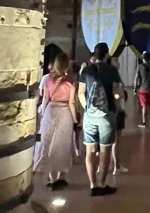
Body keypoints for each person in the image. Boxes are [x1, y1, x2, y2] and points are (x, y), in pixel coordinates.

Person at [77, 43, 122, 196]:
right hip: (106, 115)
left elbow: (80, 93)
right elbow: (117, 93)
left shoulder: (86, 70)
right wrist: (117, 106)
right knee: (105, 151)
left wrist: (87, 108)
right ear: (106, 54)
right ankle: (102, 184)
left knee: (90, 151)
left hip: (89, 115)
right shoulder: (112, 70)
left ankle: (92, 184)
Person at [34, 51, 77, 190]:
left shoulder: (47, 78)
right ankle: (60, 175)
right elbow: (72, 102)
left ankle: (50, 176)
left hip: (50, 110)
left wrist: (43, 114)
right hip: (64, 112)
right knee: (62, 144)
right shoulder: (71, 80)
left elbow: (45, 98)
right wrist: (75, 119)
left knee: (48, 142)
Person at [107, 56, 129, 175]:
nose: (118, 63)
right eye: (116, 61)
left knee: (111, 139)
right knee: (116, 140)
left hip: (111, 110)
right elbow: (120, 95)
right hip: (116, 111)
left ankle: (111, 163)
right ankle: (117, 165)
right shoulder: (115, 78)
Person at [135, 51, 150, 128]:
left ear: (143, 58)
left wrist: (135, 88)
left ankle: (144, 123)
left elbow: (136, 78)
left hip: (143, 89)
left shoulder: (140, 66)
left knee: (144, 106)